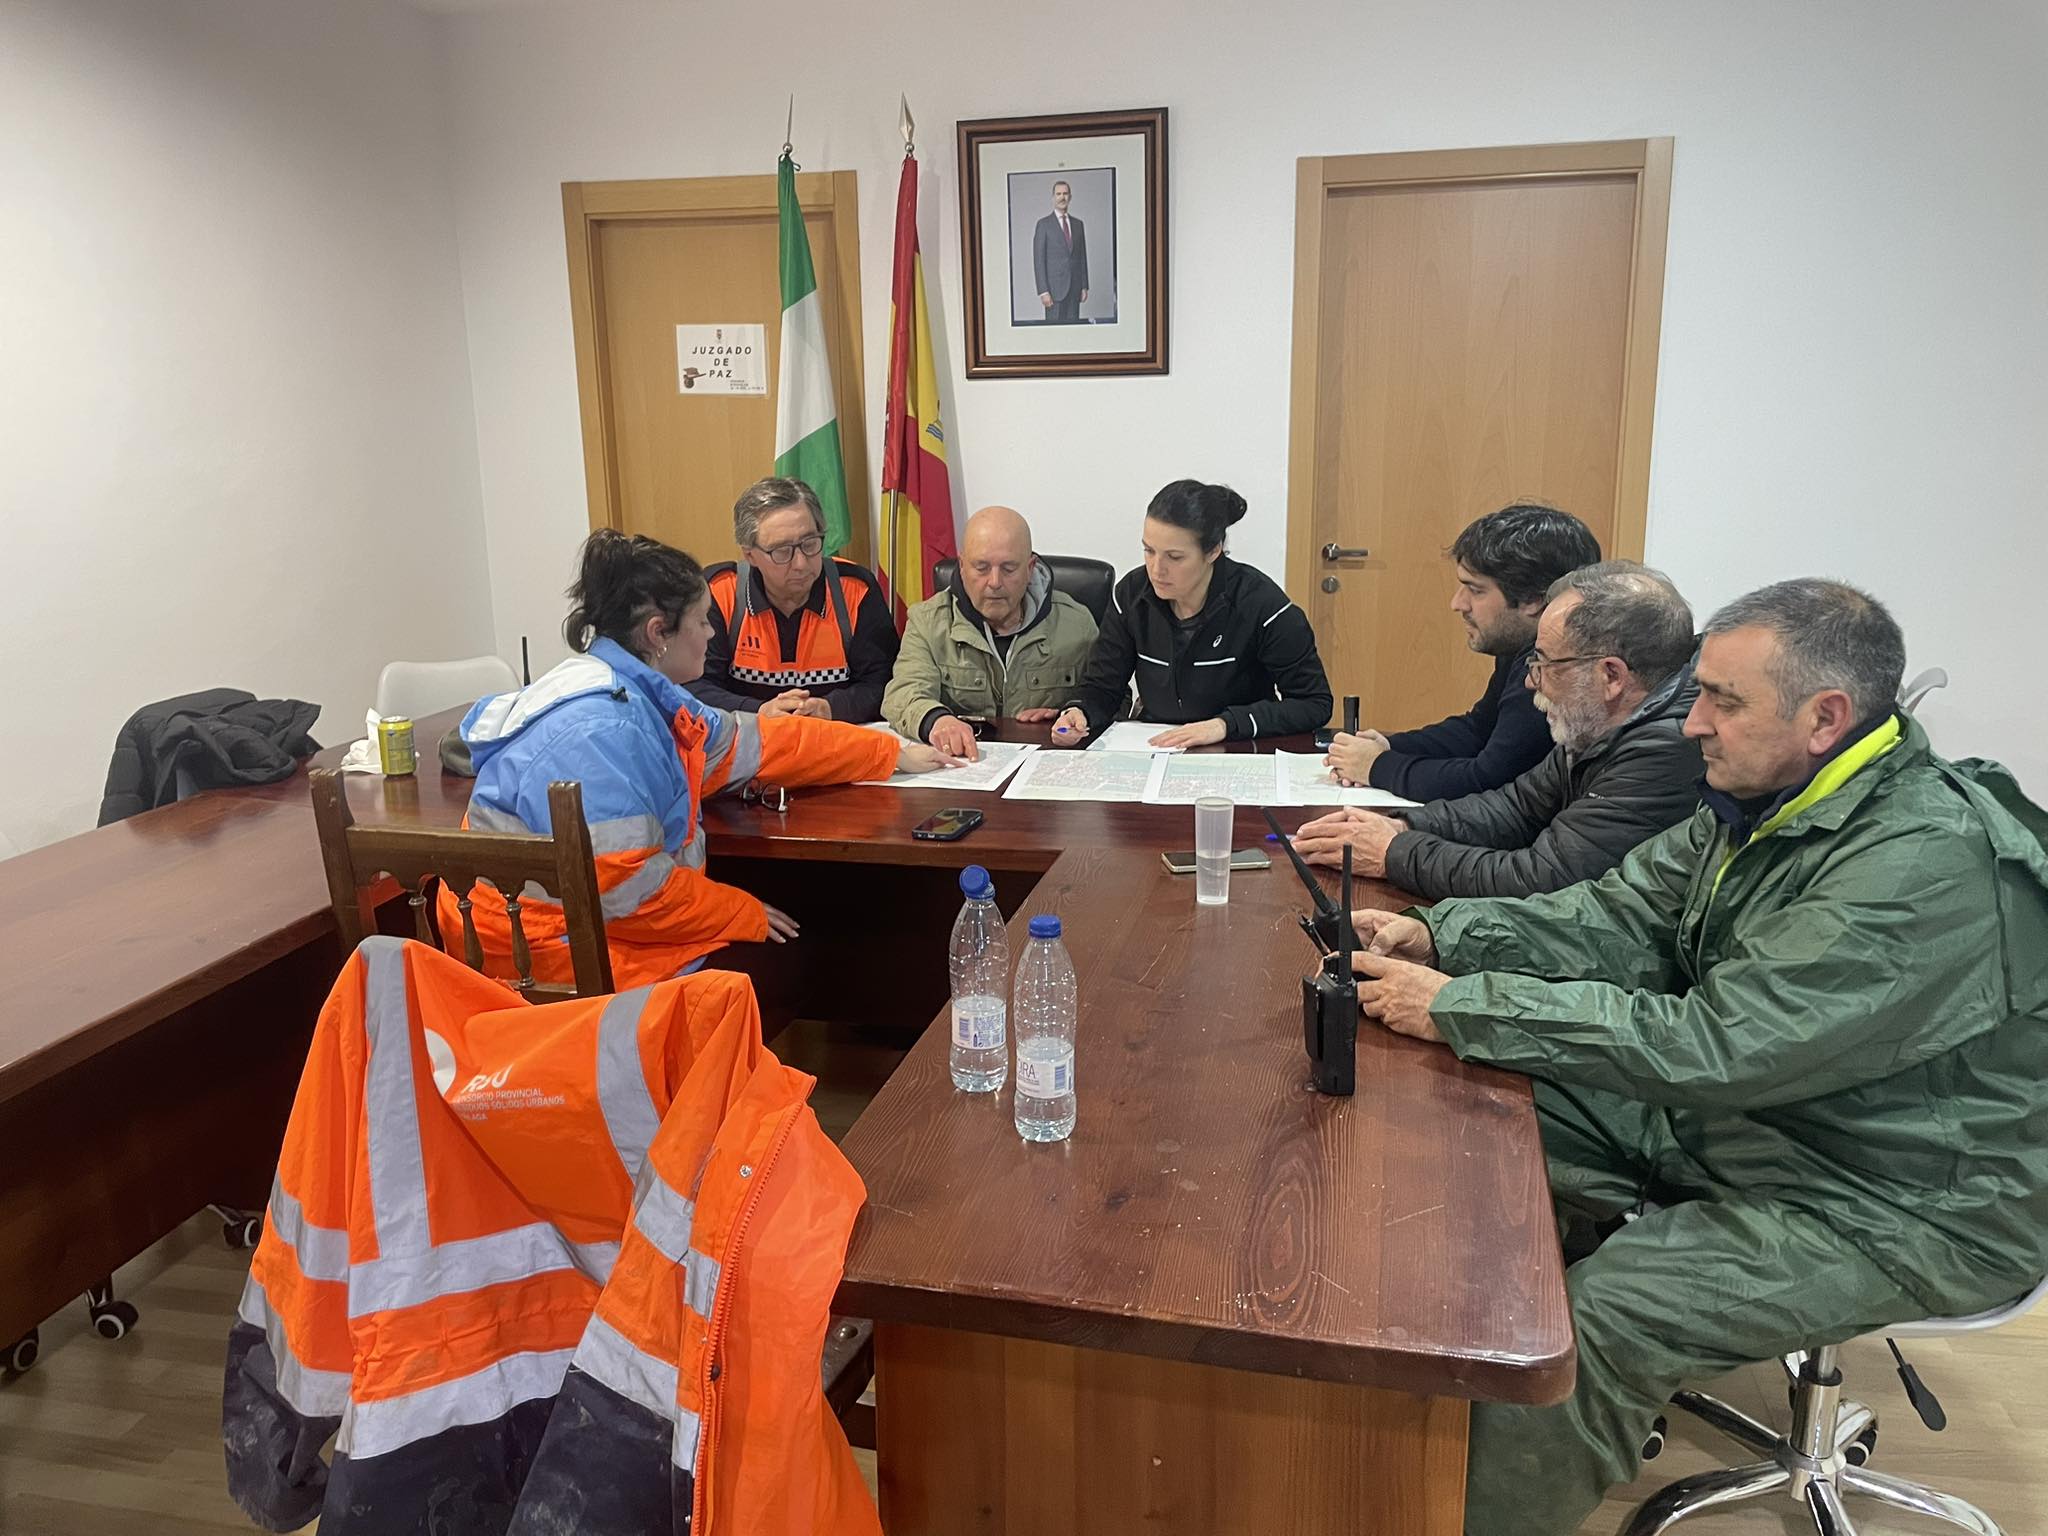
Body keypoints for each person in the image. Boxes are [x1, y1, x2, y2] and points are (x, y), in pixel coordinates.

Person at [1344, 578, 2048, 1536]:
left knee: (1612, 1314)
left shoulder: (1918, 864)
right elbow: (1616, 913)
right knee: (1466, 1103)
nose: (1691, 724)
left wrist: (1465, 1004)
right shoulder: (1776, 799)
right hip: (1769, 1121)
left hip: (1904, 1199)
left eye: (1722, 700)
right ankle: (1414, 1431)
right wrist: (1448, 937)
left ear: (1825, 717)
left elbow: (1720, 1045)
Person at [447, 531, 955, 987]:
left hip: (582, 922)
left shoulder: (641, 689)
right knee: (759, 973)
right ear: (657, 633)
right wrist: (740, 911)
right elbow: (630, 892)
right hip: (535, 949)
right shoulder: (604, 730)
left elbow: (758, 742)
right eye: (700, 621)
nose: (713, 634)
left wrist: (889, 753)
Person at [1292, 562, 1700, 899]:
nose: (1530, 681)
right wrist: (1406, 826)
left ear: (1611, 676)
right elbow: (1516, 807)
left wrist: (1393, 853)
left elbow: (1545, 879)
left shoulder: (1667, 748)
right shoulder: (1601, 720)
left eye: (1545, 664)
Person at [1325, 503, 1601, 799]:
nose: (1457, 603)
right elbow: (1478, 730)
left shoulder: (1558, 668)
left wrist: (1377, 767)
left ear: (1533, 599)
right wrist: (1390, 747)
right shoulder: (1521, 645)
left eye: (1476, 590)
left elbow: (1488, 780)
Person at [1053, 480, 1332, 747]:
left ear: (1213, 551)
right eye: (1149, 551)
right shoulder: (1130, 595)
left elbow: (1313, 703)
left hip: (1238, 747)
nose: (1156, 569)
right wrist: (1080, 712)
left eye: (1174, 557)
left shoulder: (1261, 603)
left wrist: (1225, 725)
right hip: (1155, 744)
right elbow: (1103, 686)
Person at [881, 505, 1099, 761]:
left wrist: (1071, 713)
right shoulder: (928, 622)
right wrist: (937, 720)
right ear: (962, 566)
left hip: (1047, 766)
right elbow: (903, 694)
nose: (995, 582)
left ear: (1030, 568)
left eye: (1008, 568)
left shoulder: (1077, 624)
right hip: (963, 765)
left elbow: (1111, 698)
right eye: (981, 567)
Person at [694, 477, 899, 722]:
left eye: (810, 544)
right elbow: (693, 686)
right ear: (750, 555)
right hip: (749, 738)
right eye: (782, 551)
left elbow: (885, 684)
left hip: (833, 734)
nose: (801, 563)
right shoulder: (719, 591)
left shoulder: (855, 589)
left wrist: (831, 708)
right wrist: (759, 712)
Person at [1031, 180, 1089, 324]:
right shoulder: (1043, 225)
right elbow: (1039, 260)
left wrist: (1084, 286)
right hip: (1053, 292)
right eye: (1058, 194)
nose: (1062, 197)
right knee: (1053, 332)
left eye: (1065, 194)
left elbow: (1082, 257)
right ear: (1053, 197)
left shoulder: (1078, 224)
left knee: (1073, 331)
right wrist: (1043, 291)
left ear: (1070, 197)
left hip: (1075, 290)